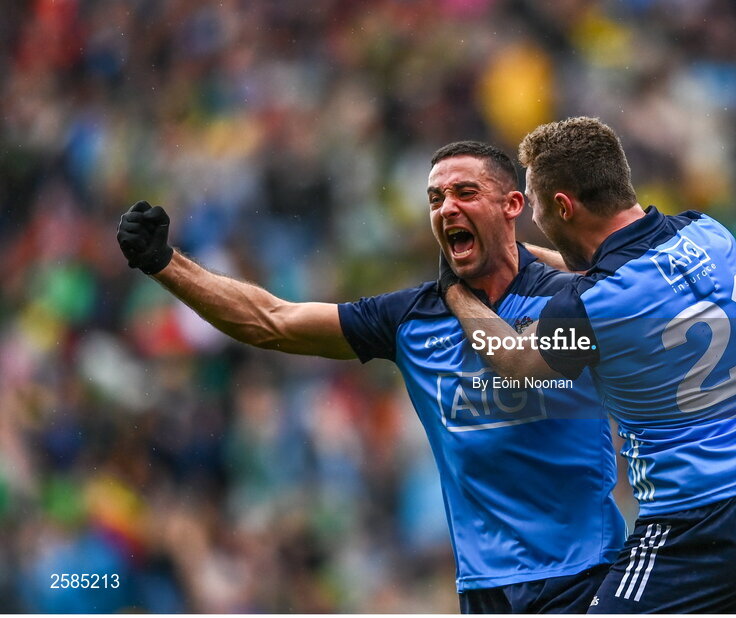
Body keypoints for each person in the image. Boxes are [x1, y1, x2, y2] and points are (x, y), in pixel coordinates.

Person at [115, 141, 625, 613]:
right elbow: (273, 322)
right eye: (435, 198)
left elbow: (536, 358)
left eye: (465, 192)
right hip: (486, 591)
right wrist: (166, 263)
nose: (447, 207)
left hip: (587, 575)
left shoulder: (575, 300)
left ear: (513, 205)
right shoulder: (410, 319)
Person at [442, 118, 736, 613]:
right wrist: (527, 254)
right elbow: (626, 272)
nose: (536, 219)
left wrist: (454, 291)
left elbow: (516, 361)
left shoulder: (593, 305)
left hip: (696, 529)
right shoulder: (709, 235)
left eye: (536, 207)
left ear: (562, 206)